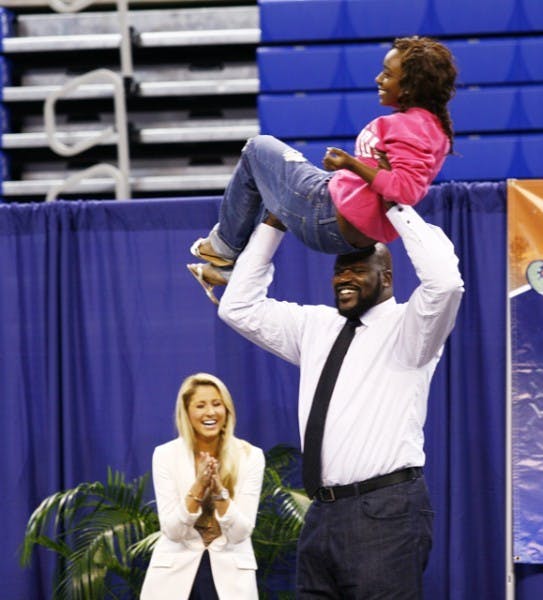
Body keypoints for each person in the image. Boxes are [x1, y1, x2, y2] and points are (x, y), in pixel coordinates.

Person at [216, 204, 464, 598]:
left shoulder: (411, 330)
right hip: (321, 513)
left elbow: (446, 283)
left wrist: (391, 204)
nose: (344, 278)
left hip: (386, 512)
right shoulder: (316, 326)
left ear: (386, 277)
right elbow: (237, 307)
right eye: (339, 270)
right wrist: (274, 224)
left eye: (357, 269)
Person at [187, 35, 457, 304]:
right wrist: (356, 169)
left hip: (326, 213)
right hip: (343, 224)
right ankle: (231, 269)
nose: (378, 79)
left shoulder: (409, 126)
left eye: (387, 74)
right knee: (268, 187)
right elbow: (395, 180)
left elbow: (405, 190)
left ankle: (223, 248)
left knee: (257, 148)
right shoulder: (432, 130)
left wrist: (350, 163)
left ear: (410, 87)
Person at [140, 373, 265, 600]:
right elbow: (173, 531)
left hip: (231, 575)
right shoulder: (166, 455)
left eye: (217, 404)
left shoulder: (251, 456)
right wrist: (197, 489)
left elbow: (240, 532)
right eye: (200, 405)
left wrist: (219, 493)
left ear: (227, 411)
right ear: (187, 412)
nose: (210, 412)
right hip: (174, 575)